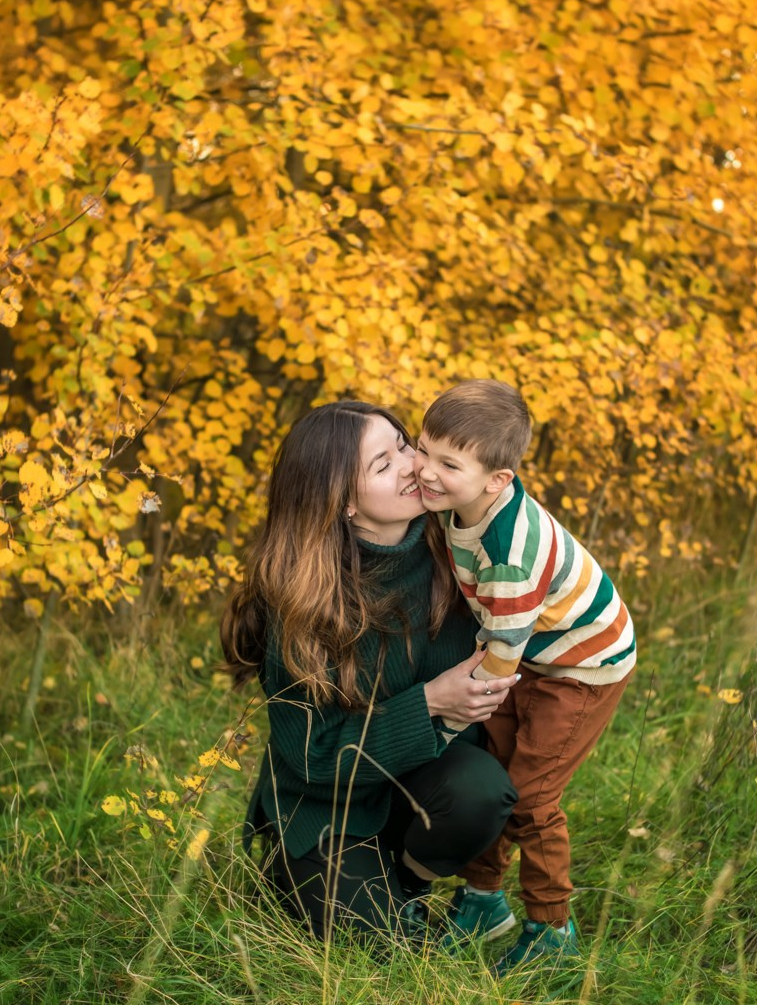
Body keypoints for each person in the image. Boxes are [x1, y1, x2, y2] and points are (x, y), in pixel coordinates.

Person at [220, 400, 520, 946]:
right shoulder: (303, 600)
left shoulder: (461, 550)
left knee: (481, 790)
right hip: (325, 803)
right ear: (343, 506)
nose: (414, 465)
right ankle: (304, 870)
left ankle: (408, 879)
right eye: (384, 465)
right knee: (369, 939)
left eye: (405, 444)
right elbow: (311, 755)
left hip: (421, 786)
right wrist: (428, 701)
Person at [413, 380, 636, 975]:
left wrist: (462, 708)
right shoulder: (461, 507)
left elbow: (504, 648)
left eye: (447, 463)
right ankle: (484, 900)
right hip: (530, 651)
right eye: (422, 448)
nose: (426, 471)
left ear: (498, 481)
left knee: (533, 795)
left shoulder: (509, 547)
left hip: (582, 665)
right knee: (498, 770)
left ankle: (552, 929)